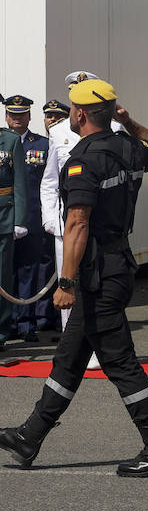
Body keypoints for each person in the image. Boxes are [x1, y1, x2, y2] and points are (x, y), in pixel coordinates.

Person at [0, 78, 148, 476]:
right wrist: (127, 121)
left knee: (120, 362)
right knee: (69, 357)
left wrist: (65, 283)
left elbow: (78, 221)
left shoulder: (84, 158)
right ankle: (30, 436)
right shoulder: (127, 147)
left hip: (98, 274)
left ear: (79, 114)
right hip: (115, 265)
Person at [41, 71, 123, 332]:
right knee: (69, 283)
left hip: (100, 222)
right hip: (68, 221)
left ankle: (96, 345)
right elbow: (50, 180)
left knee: (98, 284)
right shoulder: (58, 132)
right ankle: (70, 339)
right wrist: (50, 219)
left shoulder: (116, 129)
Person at [7, 95, 55, 342]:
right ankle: (8, 322)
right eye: (12, 114)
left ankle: (26, 323)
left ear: (28, 116)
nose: (17, 118)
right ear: (6, 116)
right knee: (6, 273)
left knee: (29, 270)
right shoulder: (3, 143)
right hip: (5, 218)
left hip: (33, 218)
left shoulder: (43, 145)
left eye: (21, 114)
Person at [0, 97, 28, 346]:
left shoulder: (10, 140)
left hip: (3, 217)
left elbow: (19, 182)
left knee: (1, 276)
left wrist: (19, 219)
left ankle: (0, 332)